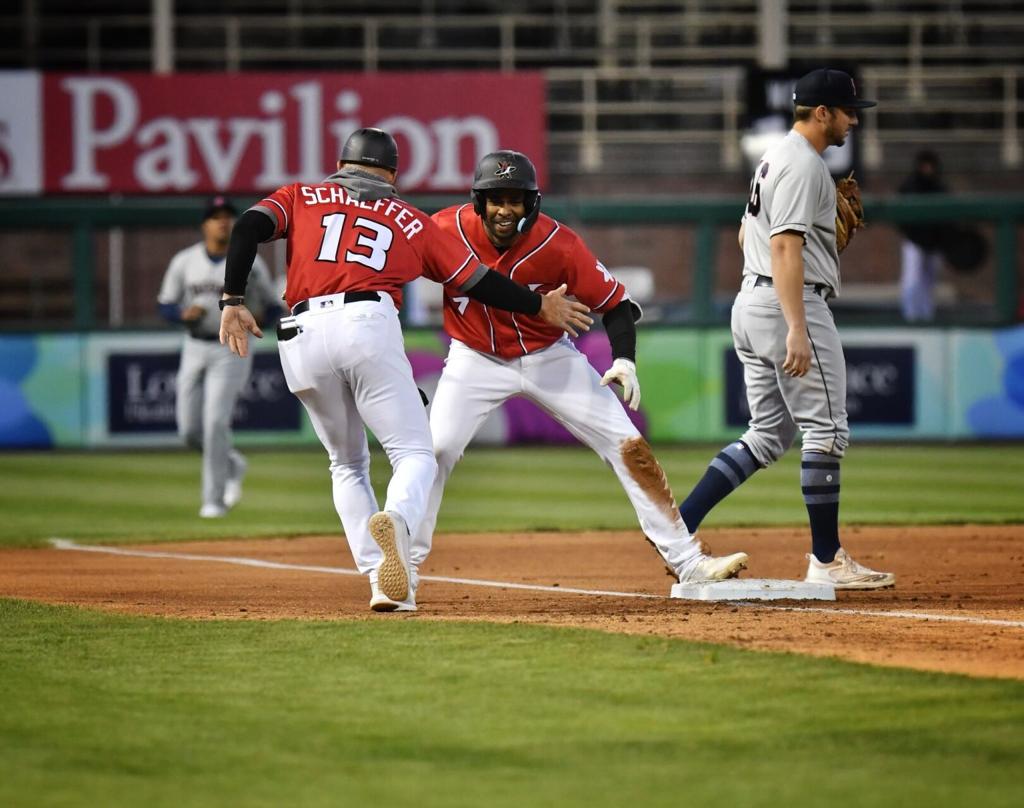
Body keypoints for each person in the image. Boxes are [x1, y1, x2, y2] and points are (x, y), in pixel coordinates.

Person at [218, 129, 592, 613]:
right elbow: (480, 282)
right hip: (366, 323)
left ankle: (380, 577)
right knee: (415, 454)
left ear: (341, 164)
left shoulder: (300, 195)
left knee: (346, 463)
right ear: (392, 173)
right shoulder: (414, 222)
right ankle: (396, 520)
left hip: (301, 332)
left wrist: (232, 298)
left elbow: (247, 226)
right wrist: (537, 304)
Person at [411, 149, 750, 600]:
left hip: (549, 356)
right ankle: (403, 569)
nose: (504, 209)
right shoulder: (444, 229)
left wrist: (624, 358)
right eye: (495, 198)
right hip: (473, 357)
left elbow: (616, 305)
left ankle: (687, 562)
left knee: (628, 444)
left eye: (515, 199)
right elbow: (391, 270)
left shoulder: (559, 244)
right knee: (435, 451)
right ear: (478, 200)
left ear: (531, 203)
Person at [677, 68, 895, 590]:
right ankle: (826, 560)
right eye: (847, 111)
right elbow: (784, 247)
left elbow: (744, 234)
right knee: (826, 430)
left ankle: (676, 527)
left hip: (752, 301)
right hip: (788, 305)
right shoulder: (803, 165)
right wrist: (797, 325)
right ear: (822, 112)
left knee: (768, 434)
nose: (852, 121)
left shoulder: (773, 157)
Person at [157, 196, 279, 519]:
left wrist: (262, 317)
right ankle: (232, 462)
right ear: (205, 224)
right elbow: (165, 304)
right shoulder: (185, 261)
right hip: (194, 344)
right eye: (215, 217)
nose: (222, 222)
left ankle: (214, 500)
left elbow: (273, 304)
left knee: (214, 423)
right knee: (188, 430)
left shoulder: (251, 260)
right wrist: (182, 314)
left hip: (232, 348)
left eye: (228, 216)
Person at [898, 150, 948, 322]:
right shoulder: (910, 186)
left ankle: (927, 317)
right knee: (911, 281)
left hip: (935, 243)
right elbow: (900, 216)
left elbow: (947, 219)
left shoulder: (940, 187)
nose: (927, 169)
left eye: (930, 165)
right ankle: (910, 317)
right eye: (924, 165)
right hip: (914, 241)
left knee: (929, 283)